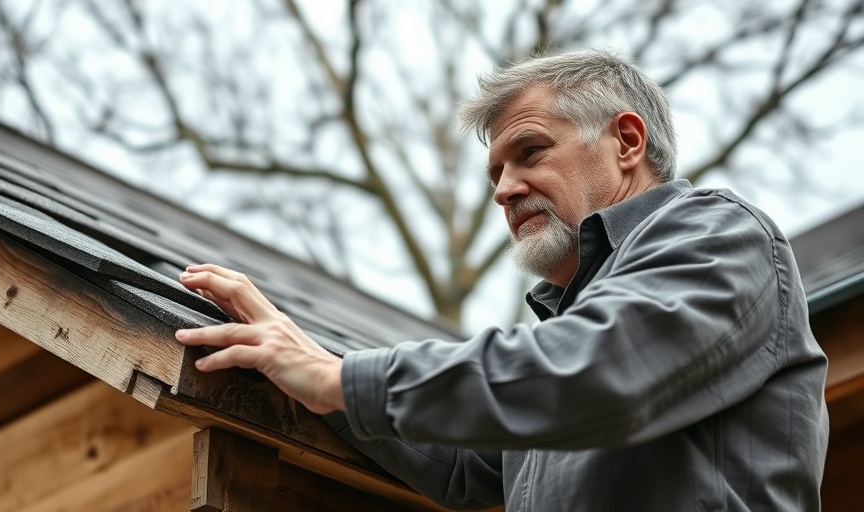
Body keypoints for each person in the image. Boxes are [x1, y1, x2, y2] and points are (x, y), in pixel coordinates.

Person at [174, 49, 829, 511]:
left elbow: (599, 372)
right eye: (494, 175)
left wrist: (338, 379)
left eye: (531, 152)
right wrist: (309, 366)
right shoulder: (560, 342)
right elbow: (459, 468)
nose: (505, 190)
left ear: (627, 142)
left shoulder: (719, 236)